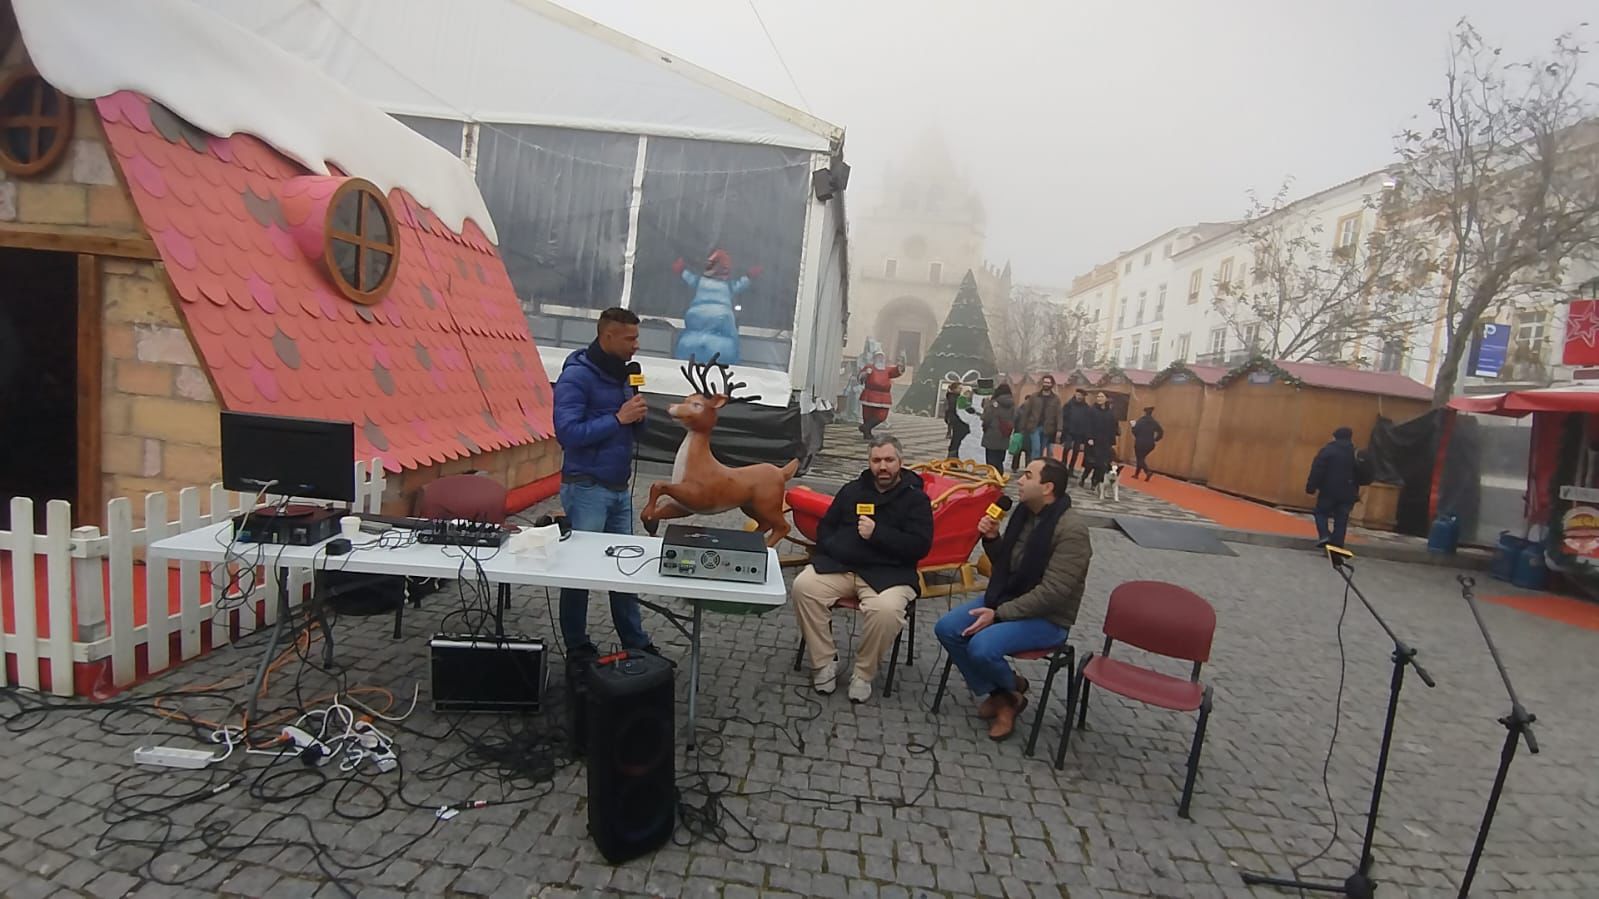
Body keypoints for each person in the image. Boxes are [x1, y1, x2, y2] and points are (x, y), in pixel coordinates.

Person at [935, 458, 1091, 740]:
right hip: (1007, 598)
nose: (1019, 480)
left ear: (1047, 488)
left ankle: (1004, 698)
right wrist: (993, 538)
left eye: (1027, 475)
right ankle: (1007, 694)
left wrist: (998, 614)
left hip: (1048, 618)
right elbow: (1006, 566)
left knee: (982, 646)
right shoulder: (1024, 514)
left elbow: (1053, 592)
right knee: (947, 628)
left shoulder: (1072, 530)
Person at [791, 435, 934, 703]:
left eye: (889, 460)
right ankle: (824, 662)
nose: (883, 466)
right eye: (876, 460)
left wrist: (878, 534)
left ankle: (863, 673)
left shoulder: (916, 500)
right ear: (869, 462)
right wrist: (837, 547)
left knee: (886, 611)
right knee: (803, 586)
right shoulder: (852, 490)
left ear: (900, 462)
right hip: (843, 567)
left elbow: (920, 546)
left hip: (890, 575)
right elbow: (826, 528)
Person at [552, 307, 656, 659]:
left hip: (618, 488)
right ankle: (577, 646)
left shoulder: (625, 374)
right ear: (607, 336)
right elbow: (567, 433)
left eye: (637, 338)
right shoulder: (576, 377)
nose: (636, 345)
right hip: (586, 488)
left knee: (623, 568)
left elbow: (632, 426)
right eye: (630, 338)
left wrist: (638, 417)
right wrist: (618, 418)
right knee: (579, 571)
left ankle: (635, 642)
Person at [1306, 426, 1362, 548]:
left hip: (1328, 490)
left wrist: (1311, 487)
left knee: (1320, 513)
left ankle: (1324, 535)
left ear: (1334, 437)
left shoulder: (1327, 451)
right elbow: (1361, 473)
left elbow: (1317, 469)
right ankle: (1337, 546)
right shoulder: (1355, 453)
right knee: (1341, 519)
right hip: (1348, 492)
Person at [858, 351, 903, 439]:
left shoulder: (887, 369)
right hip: (869, 395)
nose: (880, 359)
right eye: (878, 357)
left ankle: (865, 427)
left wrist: (900, 364)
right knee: (867, 415)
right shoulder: (869, 367)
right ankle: (867, 433)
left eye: (882, 357)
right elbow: (860, 378)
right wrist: (865, 373)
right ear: (874, 358)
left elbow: (897, 372)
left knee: (882, 416)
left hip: (884, 397)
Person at [1080, 391, 1119, 488]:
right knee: (1090, 463)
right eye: (1098, 397)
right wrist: (1089, 437)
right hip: (1093, 441)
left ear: (1106, 399)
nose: (1099, 398)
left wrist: (1112, 442)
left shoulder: (1110, 412)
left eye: (1101, 397)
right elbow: (1087, 425)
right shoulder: (1092, 410)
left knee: (1101, 465)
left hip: (1105, 442)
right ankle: (1083, 478)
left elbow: (1113, 427)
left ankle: (1094, 482)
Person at [980, 384, 1016, 472]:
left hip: (992, 433)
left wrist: (984, 426)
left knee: (991, 459)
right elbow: (1015, 418)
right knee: (1000, 459)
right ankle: (999, 475)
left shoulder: (993, 403)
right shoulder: (1012, 404)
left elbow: (987, 417)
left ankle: (992, 475)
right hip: (1005, 434)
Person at [1130, 406, 1164, 481]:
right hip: (1150, 444)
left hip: (1140, 443)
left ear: (1145, 413)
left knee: (1140, 458)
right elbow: (1161, 431)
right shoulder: (1154, 422)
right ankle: (1136, 474)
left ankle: (1147, 472)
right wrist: (1156, 439)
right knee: (1141, 458)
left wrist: (1132, 427)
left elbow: (1135, 432)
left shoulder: (1140, 421)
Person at [1062, 389, 1092, 473]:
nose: (1079, 397)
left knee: (1076, 451)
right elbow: (1063, 416)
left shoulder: (1086, 408)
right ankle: (1063, 466)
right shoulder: (1068, 405)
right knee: (1066, 448)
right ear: (1075, 395)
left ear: (1084, 397)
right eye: (1078, 395)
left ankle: (1071, 469)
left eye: (1081, 395)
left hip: (1080, 433)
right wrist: (1064, 428)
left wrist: (1085, 433)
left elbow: (1088, 421)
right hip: (1069, 431)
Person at [943, 381, 971, 459]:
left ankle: (954, 456)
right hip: (957, 421)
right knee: (957, 439)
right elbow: (955, 409)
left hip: (958, 421)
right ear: (954, 389)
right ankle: (952, 457)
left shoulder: (955, 397)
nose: (961, 390)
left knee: (958, 439)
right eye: (959, 388)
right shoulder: (953, 397)